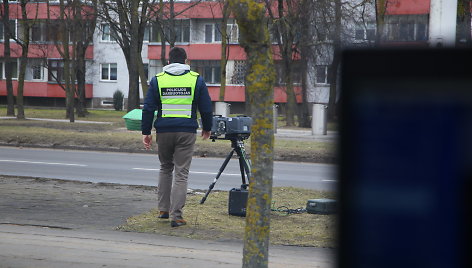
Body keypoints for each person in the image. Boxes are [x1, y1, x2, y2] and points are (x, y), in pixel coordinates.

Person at [142, 47, 213, 227]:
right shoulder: (196, 79)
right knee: (181, 172)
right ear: (186, 61)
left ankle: (163, 210)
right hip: (186, 132)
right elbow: (206, 107)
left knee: (165, 168)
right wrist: (207, 127)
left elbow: (148, 108)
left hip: (164, 131)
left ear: (168, 62)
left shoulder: (157, 80)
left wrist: (146, 132)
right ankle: (177, 216)